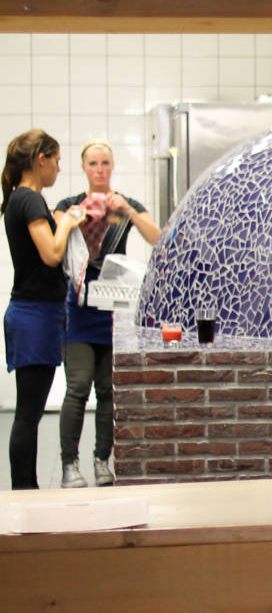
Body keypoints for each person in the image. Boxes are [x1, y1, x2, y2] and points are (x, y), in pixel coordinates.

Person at [54, 140, 160, 488]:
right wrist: (75, 217)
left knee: (108, 391)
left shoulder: (123, 205)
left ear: (112, 167)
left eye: (104, 163)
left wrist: (127, 210)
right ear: (83, 167)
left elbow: (156, 238)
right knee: (78, 387)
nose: (99, 169)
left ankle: (102, 460)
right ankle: (70, 464)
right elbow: (56, 242)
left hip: (113, 309)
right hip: (80, 309)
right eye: (93, 163)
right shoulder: (69, 205)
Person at [3, 129, 83, 490]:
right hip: (34, 315)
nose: (58, 168)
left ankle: (26, 489)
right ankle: (24, 491)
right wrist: (65, 222)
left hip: (36, 314)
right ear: (41, 160)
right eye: (57, 160)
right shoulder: (30, 200)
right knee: (29, 413)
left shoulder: (21, 200)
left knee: (29, 412)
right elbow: (51, 254)